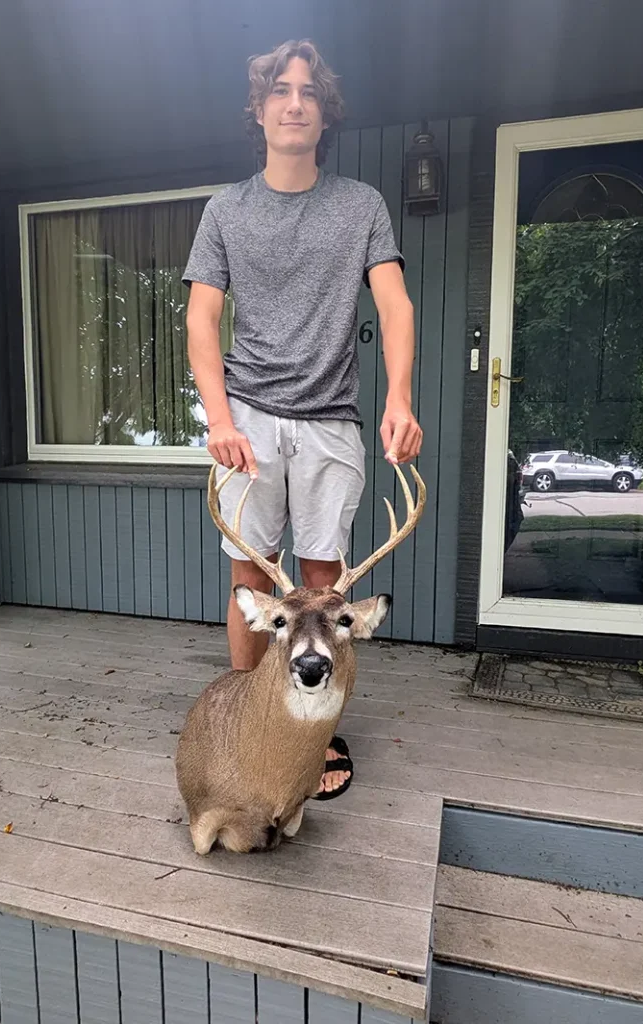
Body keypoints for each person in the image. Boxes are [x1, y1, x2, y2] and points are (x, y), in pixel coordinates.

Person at [183, 39, 421, 799]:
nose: (294, 103)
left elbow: (393, 303)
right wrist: (219, 417)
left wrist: (399, 397)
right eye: (280, 91)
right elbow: (201, 320)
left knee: (324, 583)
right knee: (250, 581)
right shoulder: (226, 209)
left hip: (330, 420)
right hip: (247, 419)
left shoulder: (360, 206)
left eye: (307, 93)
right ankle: (244, 718)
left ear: (324, 113)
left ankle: (312, 728)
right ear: (258, 111)